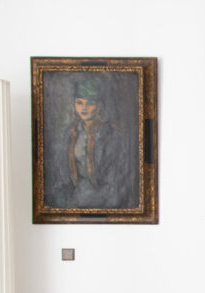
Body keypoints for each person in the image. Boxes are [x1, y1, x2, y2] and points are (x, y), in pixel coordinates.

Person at [46, 79, 138, 210]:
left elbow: (115, 180)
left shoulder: (110, 135)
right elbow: (63, 170)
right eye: (79, 103)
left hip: (104, 196)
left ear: (98, 107)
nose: (84, 108)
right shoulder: (72, 132)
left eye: (90, 104)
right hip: (76, 192)